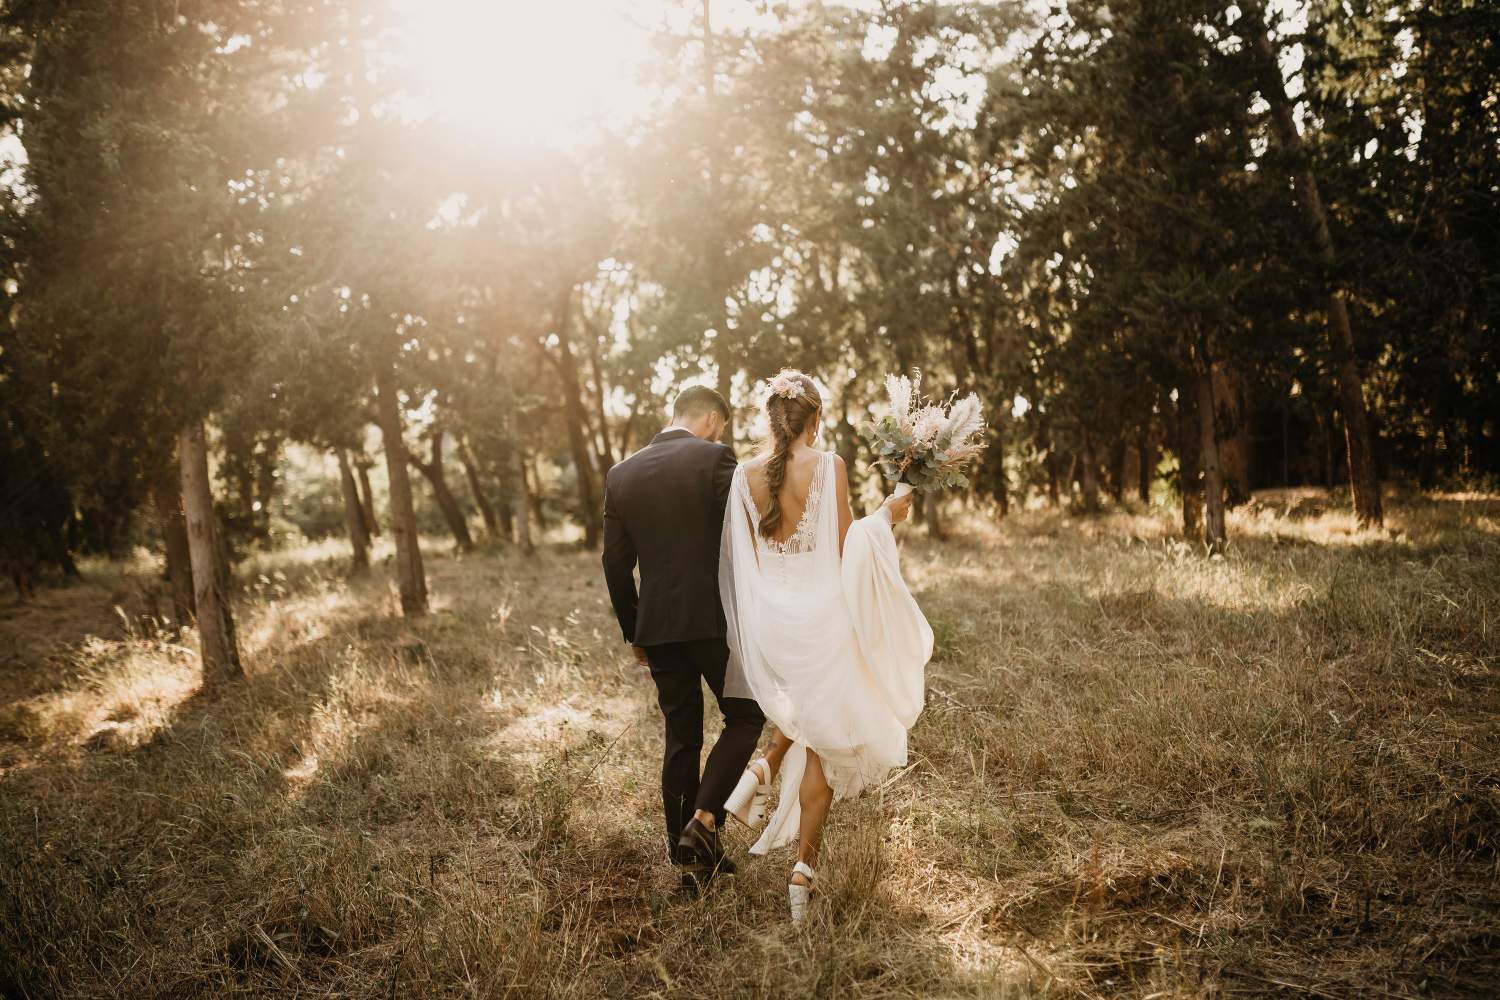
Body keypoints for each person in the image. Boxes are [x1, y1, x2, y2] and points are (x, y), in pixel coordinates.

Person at [718, 369, 932, 923]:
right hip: (820, 617)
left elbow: (748, 562)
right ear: (815, 418)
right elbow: (845, 549)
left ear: (771, 418)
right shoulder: (829, 465)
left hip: (769, 622)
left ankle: (761, 770)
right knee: (827, 745)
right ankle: (801, 875)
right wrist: (885, 515)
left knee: (811, 720)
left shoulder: (743, 477)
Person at [601, 385, 765, 892]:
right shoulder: (715, 458)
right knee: (745, 714)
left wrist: (635, 629)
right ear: (713, 420)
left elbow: (614, 563)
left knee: (682, 735)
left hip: (659, 628)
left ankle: (688, 857)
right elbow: (742, 535)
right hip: (713, 620)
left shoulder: (620, 474)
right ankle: (704, 820)